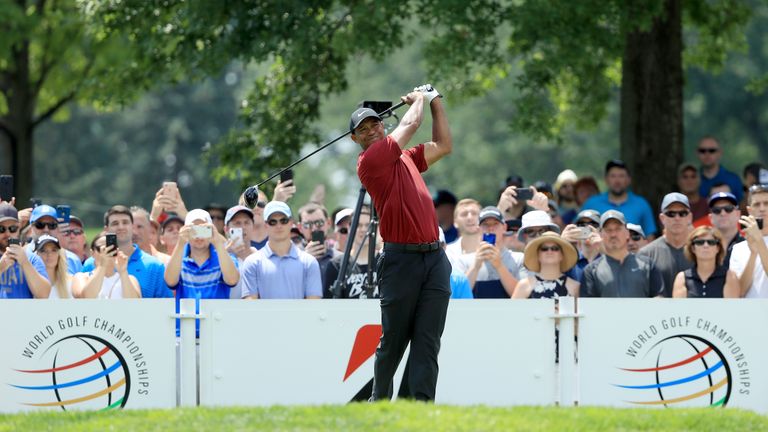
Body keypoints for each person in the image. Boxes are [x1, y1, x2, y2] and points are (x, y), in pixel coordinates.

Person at [353, 84, 452, 402]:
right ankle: (379, 403)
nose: (370, 131)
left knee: (427, 341)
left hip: (434, 259)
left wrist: (435, 102)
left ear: (383, 125)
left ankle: (421, 409)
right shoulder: (370, 161)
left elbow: (443, 145)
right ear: (355, 139)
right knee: (393, 341)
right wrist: (420, 99)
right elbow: (410, 124)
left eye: (374, 124)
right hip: (400, 261)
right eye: (362, 130)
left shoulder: (406, 157)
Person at [165, 209, 239, 329]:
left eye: (203, 229)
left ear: (211, 231)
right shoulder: (178, 257)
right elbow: (170, 281)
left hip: (217, 331)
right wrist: (180, 244)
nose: (199, 235)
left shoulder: (223, 256)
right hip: (185, 332)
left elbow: (232, 280)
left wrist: (218, 243)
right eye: (193, 230)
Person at [240, 201, 322, 299]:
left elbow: (312, 306)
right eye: (272, 222)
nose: (279, 226)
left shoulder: (309, 262)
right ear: (266, 225)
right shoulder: (252, 262)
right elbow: (250, 308)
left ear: (291, 223)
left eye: (283, 221)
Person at [581, 210, 664, 298]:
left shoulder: (648, 266)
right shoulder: (591, 271)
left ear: (627, 233)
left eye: (618, 229)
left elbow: (658, 301)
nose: (613, 234)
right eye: (608, 230)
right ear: (601, 234)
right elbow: (589, 308)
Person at [454, 206, 523, 298]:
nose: (491, 229)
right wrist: (475, 266)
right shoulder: (463, 261)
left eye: (495, 224)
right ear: (478, 229)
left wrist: (500, 266)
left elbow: (522, 297)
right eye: (485, 225)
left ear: (504, 228)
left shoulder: (519, 259)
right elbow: (457, 297)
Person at [103, 205, 170, 298]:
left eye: (125, 222)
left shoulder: (154, 266)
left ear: (131, 226)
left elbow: (165, 308)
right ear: (106, 230)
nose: (121, 227)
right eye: (115, 223)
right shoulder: (92, 264)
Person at [581, 160, 657, 238]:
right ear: (606, 179)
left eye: (621, 176)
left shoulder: (641, 204)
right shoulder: (591, 204)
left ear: (629, 180)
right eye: (613, 176)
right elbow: (580, 233)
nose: (617, 181)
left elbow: (650, 237)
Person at [638, 193, 693, 297]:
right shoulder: (646, 253)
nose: (677, 218)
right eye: (671, 214)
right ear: (662, 218)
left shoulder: (701, 250)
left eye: (682, 213)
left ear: (689, 217)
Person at [323, 206, 379, 299]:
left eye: (368, 225)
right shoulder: (336, 265)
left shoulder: (385, 262)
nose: (363, 229)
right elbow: (329, 306)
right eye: (358, 225)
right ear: (350, 228)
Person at [0, 203, 51, 298]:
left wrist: (25, 263)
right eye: (1, 229)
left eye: (12, 229)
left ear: (18, 229)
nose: (7, 233)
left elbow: (44, 295)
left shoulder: (31, 258)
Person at [673, 226, 739, 298]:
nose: (705, 246)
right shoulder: (682, 278)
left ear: (718, 248)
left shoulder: (729, 277)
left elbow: (731, 308)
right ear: (693, 248)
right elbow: (679, 309)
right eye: (700, 242)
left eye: (711, 242)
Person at [73, 233, 141, 299]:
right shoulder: (81, 277)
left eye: (110, 248)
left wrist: (123, 272)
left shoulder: (130, 279)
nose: (106, 252)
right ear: (92, 253)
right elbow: (86, 298)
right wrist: (102, 266)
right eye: (102, 249)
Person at [513, 232, 579, 299]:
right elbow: (512, 309)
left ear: (562, 255)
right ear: (538, 255)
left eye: (555, 248)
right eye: (544, 249)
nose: (549, 251)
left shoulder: (575, 287)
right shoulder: (524, 286)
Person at [730, 184, 768, 297]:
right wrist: (753, 254)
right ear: (749, 210)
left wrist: (759, 241)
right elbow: (739, 292)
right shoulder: (738, 248)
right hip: (749, 313)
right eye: (757, 204)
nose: (762, 208)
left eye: (767, 203)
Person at [25, 204, 83, 274]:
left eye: (52, 225)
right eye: (40, 225)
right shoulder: (23, 256)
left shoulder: (72, 260)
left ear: (58, 228)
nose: (46, 229)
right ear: (31, 228)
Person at [297, 202, 338, 287]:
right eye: (307, 225)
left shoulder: (340, 259)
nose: (314, 229)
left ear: (329, 223)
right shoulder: (291, 256)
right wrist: (304, 260)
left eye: (319, 223)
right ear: (300, 228)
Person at [696, 136, 743, 204]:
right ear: (697, 153)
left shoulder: (733, 179)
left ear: (720, 152)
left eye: (712, 150)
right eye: (702, 151)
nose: (707, 154)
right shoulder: (691, 180)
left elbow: (740, 207)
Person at [707, 192, 743, 268]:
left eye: (728, 209)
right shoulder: (703, 245)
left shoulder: (748, 245)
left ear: (738, 214)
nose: (723, 213)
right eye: (717, 210)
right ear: (710, 218)